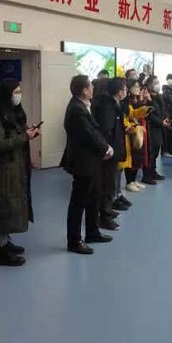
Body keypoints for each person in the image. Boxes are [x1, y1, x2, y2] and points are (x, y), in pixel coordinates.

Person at [0, 80, 38, 267]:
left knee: (10, 206)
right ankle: (2, 251)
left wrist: (27, 133)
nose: (18, 95)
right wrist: (25, 137)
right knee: (1, 208)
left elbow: (13, 135)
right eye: (15, 91)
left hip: (12, 168)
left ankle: (6, 242)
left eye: (19, 91)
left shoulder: (10, 112)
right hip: (0, 170)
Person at [61, 75, 114, 255]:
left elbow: (94, 132)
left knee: (93, 198)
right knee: (79, 202)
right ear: (84, 90)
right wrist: (105, 148)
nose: (93, 88)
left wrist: (103, 147)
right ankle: (74, 240)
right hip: (83, 162)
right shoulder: (77, 109)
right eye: (90, 86)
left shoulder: (84, 106)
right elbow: (88, 134)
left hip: (92, 161)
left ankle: (92, 231)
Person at [92, 77, 127, 231]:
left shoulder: (115, 104)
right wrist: (107, 149)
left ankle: (107, 209)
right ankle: (104, 217)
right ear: (119, 91)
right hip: (108, 152)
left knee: (110, 183)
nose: (126, 91)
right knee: (107, 184)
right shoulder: (107, 106)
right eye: (124, 89)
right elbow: (107, 129)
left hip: (114, 149)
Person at [121, 80, 150, 193]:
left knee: (138, 156)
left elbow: (134, 113)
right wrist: (133, 126)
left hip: (138, 130)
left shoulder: (136, 99)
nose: (138, 89)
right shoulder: (125, 102)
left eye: (138, 86)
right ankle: (129, 182)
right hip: (130, 132)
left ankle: (133, 180)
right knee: (131, 157)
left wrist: (145, 109)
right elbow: (127, 117)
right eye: (135, 86)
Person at [142, 76, 169, 183]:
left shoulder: (158, 96)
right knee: (150, 152)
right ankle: (147, 174)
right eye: (155, 83)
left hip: (159, 127)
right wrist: (161, 122)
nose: (158, 85)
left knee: (156, 150)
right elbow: (150, 114)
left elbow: (163, 109)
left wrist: (166, 117)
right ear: (149, 85)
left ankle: (153, 171)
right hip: (151, 127)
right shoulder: (146, 97)